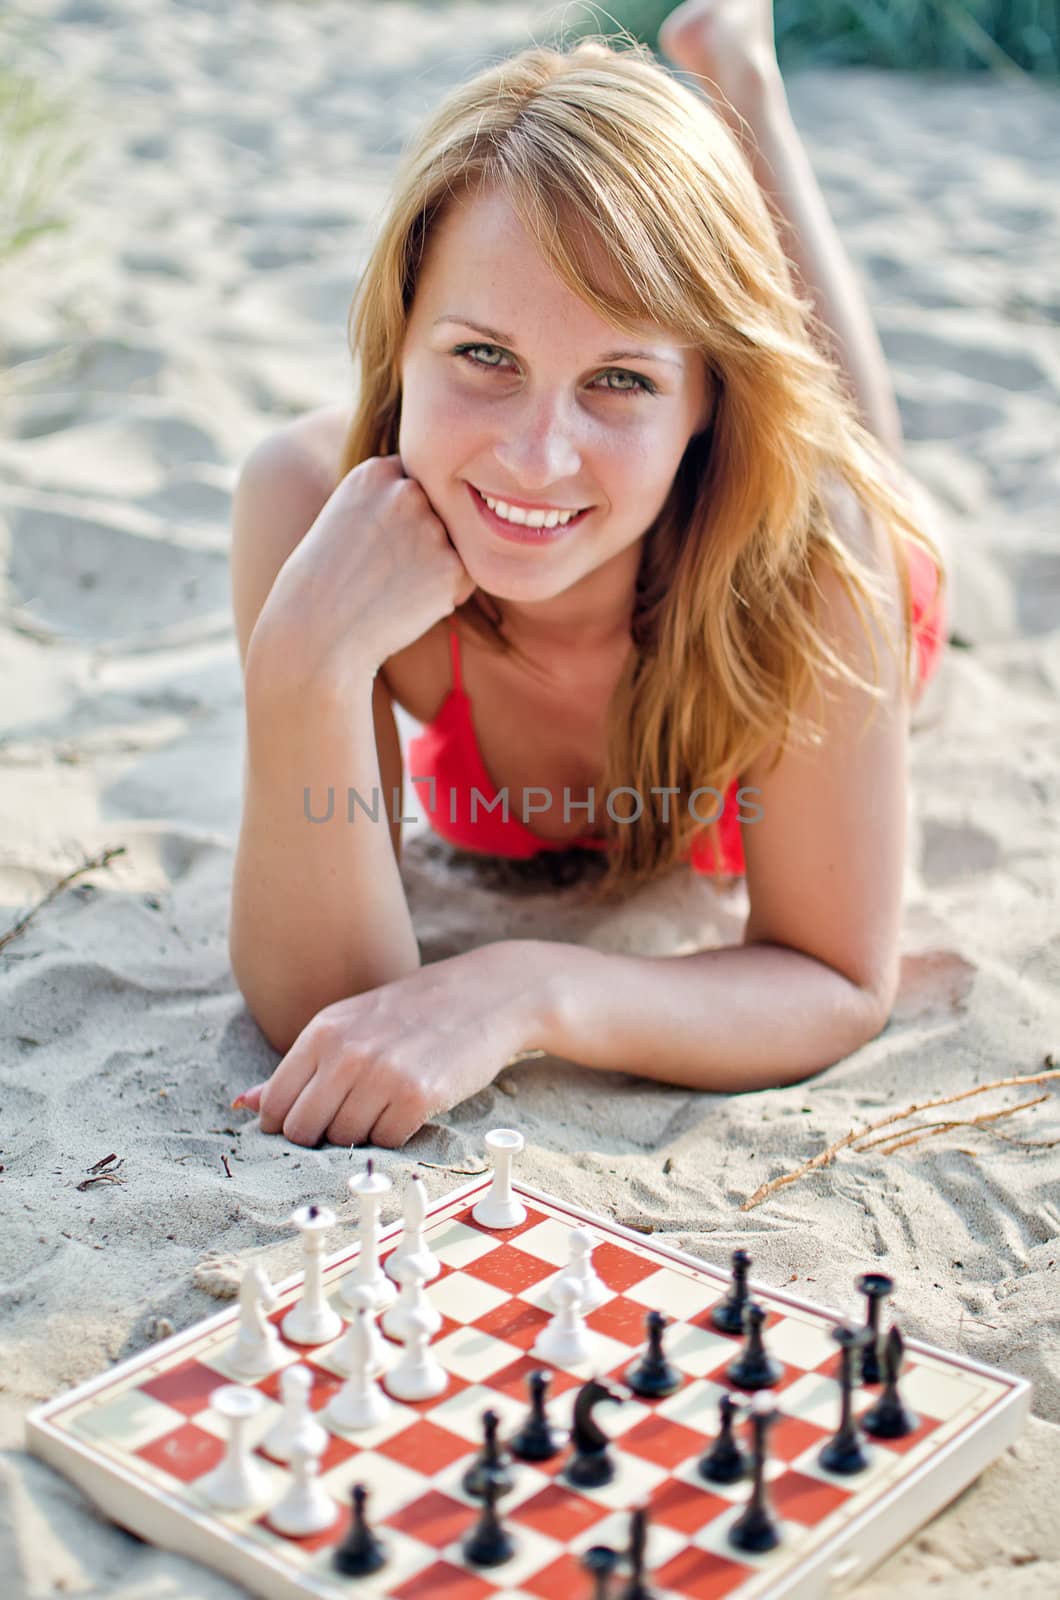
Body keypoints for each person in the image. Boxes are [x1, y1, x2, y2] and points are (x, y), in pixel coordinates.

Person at [227, 3, 949, 1150]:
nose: (535, 456)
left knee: (858, 466)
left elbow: (836, 976)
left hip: (778, 584)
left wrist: (528, 989)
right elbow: (329, 1010)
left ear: (708, 398)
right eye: (482, 356)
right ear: (397, 341)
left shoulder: (813, 568)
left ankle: (746, 88)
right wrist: (301, 667)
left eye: (619, 378)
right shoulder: (310, 509)